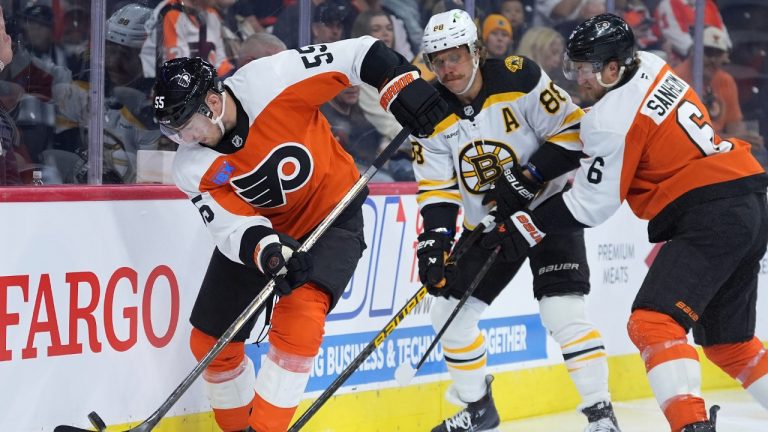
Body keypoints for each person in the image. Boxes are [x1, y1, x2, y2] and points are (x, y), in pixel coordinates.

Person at [483, 13, 768, 432]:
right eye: (574, 67)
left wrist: (525, 224)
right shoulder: (650, 64)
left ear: (613, 68)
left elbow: (589, 206)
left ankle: (691, 426)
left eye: (585, 69)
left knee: (653, 323)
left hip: (711, 213)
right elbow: (610, 138)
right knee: (731, 345)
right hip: (748, 200)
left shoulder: (611, 120)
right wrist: (534, 174)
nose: (578, 78)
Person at [151, 35, 447, 431]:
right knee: (209, 342)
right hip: (267, 234)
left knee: (300, 319)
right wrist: (268, 251)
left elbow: (358, 54)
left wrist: (399, 85)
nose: (184, 141)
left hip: (333, 217)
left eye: (187, 127)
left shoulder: (271, 80)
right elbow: (232, 225)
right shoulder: (191, 166)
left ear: (214, 103)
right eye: (175, 133)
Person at [412, 9, 620, 432]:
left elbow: (573, 131)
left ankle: (601, 415)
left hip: (548, 210)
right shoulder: (427, 112)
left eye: (455, 56)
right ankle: (478, 409)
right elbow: (437, 188)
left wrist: (528, 177)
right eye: (438, 60)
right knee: (448, 315)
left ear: (476, 51)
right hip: (491, 224)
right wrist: (433, 242)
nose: (448, 69)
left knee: (562, 311)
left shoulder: (518, 76)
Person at [673, 26, 763, 151]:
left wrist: (745, 139)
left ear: (725, 57)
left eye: (718, 54)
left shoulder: (726, 81)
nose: (713, 60)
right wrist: (733, 139)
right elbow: (684, 137)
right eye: (709, 52)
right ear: (695, 51)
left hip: (719, 151)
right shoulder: (676, 79)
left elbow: (736, 127)